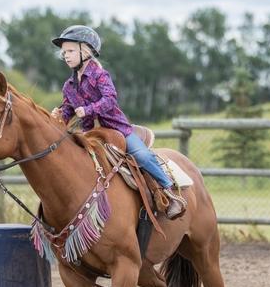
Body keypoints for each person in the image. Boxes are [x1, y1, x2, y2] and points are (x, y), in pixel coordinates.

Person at [50, 25, 187, 220]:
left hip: (118, 130)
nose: (66, 55)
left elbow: (110, 99)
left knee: (142, 156)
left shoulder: (100, 75)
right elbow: (68, 109)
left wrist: (88, 110)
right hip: (91, 135)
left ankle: (169, 191)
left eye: (71, 51)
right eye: (64, 52)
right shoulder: (69, 86)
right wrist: (58, 116)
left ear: (86, 51)